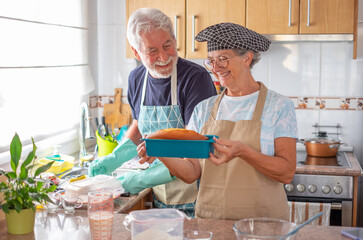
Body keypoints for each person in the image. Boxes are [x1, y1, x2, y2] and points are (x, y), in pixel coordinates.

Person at [137, 22, 298, 220]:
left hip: (263, 224)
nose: (216, 68)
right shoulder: (203, 109)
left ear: (247, 58)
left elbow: (286, 172)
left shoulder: (279, 106)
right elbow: (192, 173)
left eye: (223, 59)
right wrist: (159, 151)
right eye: (211, 61)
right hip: (212, 222)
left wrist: (243, 152)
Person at [88, 8, 216, 217]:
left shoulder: (195, 79)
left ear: (175, 40)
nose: (164, 57)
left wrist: (139, 179)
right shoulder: (137, 79)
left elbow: (195, 147)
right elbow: (140, 126)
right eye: (152, 51)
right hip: (161, 194)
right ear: (137, 53)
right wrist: (113, 158)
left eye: (168, 45)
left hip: (197, 195)